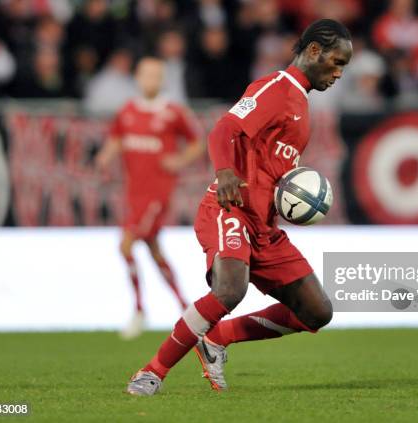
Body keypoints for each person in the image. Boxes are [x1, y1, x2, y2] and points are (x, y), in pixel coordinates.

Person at [126, 18, 352, 395]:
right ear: (314, 51)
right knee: (231, 289)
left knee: (317, 311)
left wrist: (291, 197)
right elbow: (224, 129)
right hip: (228, 207)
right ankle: (151, 372)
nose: (339, 72)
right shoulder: (277, 88)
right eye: (337, 61)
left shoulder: (301, 106)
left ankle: (217, 338)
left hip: (264, 225)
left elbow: (271, 169)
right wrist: (227, 172)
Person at [96, 57, 205, 339]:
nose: (150, 81)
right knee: (154, 250)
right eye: (145, 75)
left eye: (156, 76)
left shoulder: (173, 112)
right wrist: (106, 156)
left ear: (162, 80)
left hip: (158, 193)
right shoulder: (127, 111)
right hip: (134, 193)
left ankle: (139, 310)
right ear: (137, 78)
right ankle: (185, 307)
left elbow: (197, 141)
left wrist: (180, 161)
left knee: (126, 245)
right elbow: (117, 138)